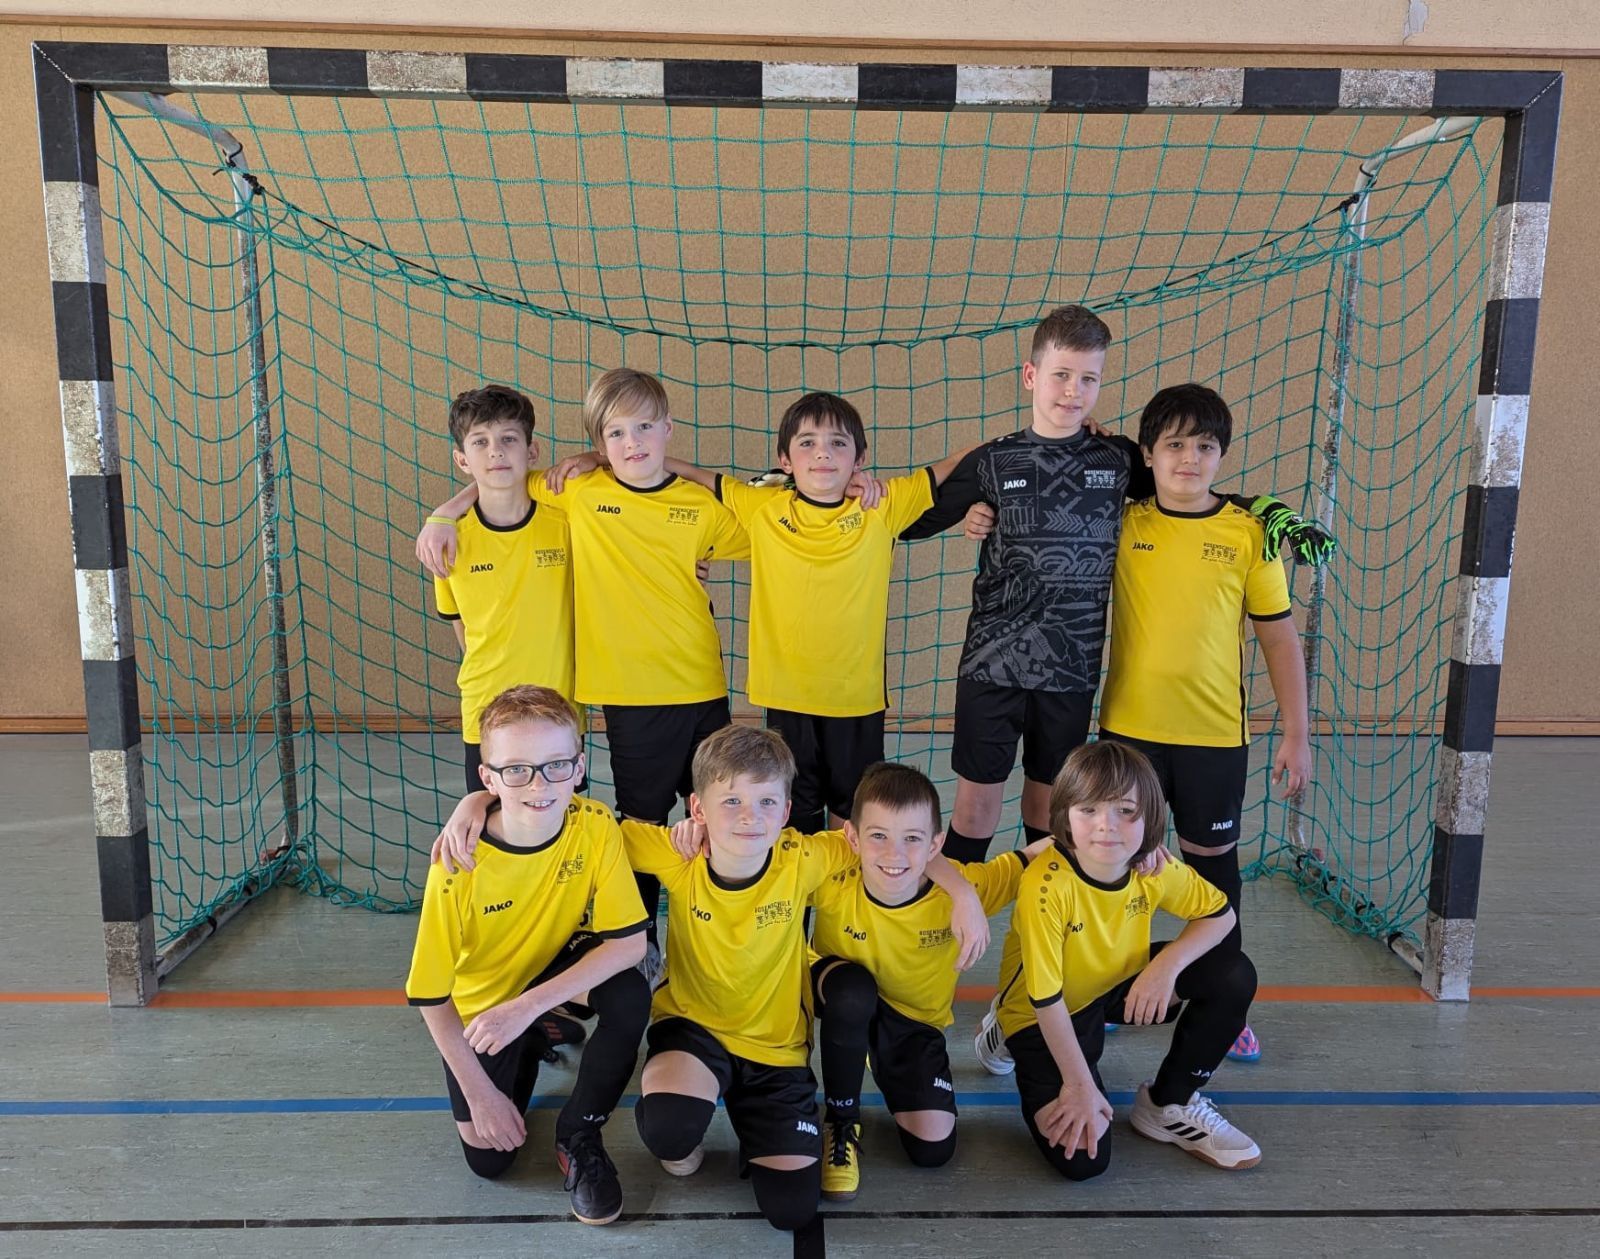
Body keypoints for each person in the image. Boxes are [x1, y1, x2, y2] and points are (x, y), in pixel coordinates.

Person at [901, 305, 1332, 866]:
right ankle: (954, 916)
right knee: (976, 811)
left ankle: (1039, 917)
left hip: (1070, 671)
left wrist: (1264, 508)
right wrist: (963, 491)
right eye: (1061, 374)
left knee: (1050, 811)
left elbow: (1189, 486)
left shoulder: (1118, 456)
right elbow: (910, 520)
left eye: (1089, 378)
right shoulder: (994, 460)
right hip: (992, 664)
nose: (1073, 391)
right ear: (1031, 375)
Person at [417, 369, 751, 981]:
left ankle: (686, 948)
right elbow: (466, 612)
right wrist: (443, 513)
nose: (497, 452)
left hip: (639, 699)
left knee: (684, 820)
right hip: (545, 708)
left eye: (509, 440)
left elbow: (738, 528)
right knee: (546, 836)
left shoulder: (608, 510)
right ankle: (539, 959)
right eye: (615, 433)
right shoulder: (519, 518)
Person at [552, 390, 972, 833]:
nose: (823, 453)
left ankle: (838, 882)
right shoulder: (584, 491)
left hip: (845, 696)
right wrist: (596, 459)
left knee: (826, 813)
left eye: (837, 443)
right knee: (771, 814)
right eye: (807, 443)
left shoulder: (871, 505)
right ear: (785, 459)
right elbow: (699, 480)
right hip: (768, 693)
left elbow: (952, 469)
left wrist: (983, 504)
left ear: (860, 458)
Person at [622, 726, 987, 1235]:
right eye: (731, 801)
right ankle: (687, 1127)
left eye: (766, 802)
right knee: (669, 1130)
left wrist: (962, 892)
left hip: (776, 1049)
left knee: (792, 1210)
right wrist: (483, 803)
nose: (750, 817)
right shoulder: (676, 855)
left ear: (787, 811)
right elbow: (590, 831)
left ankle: (762, 1116)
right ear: (698, 808)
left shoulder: (804, 857)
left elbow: (891, 838)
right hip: (693, 1029)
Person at [1096, 381, 1310, 1063]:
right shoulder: (1124, 523)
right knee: (1116, 865)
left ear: (1222, 455)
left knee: (1213, 870)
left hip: (1214, 738)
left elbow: (1279, 638)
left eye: (1205, 446)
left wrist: (1296, 733)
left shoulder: (1249, 533)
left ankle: (1225, 1002)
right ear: (1148, 454)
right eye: (1175, 445)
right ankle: (1109, 991)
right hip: (1129, 732)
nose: (1190, 458)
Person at [405, 685, 651, 1225]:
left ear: (579, 767)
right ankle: (537, 1034)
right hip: (485, 1004)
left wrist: (528, 1006)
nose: (540, 785)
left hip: (545, 975)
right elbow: (431, 996)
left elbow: (629, 944)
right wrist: (481, 1094)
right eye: (517, 769)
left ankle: (579, 1132)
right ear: (488, 778)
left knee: (630, 994)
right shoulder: (458, 864)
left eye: (556, 765)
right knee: (491, 1161)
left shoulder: (593, 825)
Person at [987, 740, 1261, 1180]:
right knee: (1084, 1160)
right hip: (1043, 1012)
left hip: (1117, 985)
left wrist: (1165, 967)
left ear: (1149, 816)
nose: (1106, 826)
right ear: (1064, 817)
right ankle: (1004, 1032)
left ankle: (1168, 1103)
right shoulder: (1046, 886)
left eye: (1125, 810)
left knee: (1232, 973)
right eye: (1088, 810)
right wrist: (1078, 1086)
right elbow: (1047, 1001)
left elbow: (1220, 915)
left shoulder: (1149, 865)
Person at [806, 761, 1050, 1200]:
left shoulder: (965, 888)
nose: (893, 854)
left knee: (932, 1147)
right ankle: (841, 1121)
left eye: (912, 839)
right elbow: (757, 847)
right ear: (852, 838)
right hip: (833, 989)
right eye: (878, 836)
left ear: (936, 844)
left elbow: (1037, 854)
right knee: (853, 993)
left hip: (912, 1020)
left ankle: (874, 1051)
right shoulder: (831, 870)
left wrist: (1140, 849)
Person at [428, 385, 574, 794]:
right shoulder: (448, 540)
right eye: (480, 442)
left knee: (560, 820)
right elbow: (462, 630)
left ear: (532, 451)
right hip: (485, 710)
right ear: (462, 459)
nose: (496, 451)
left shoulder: (567, 523)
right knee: (489, 818)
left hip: (559, 709)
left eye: (509, 439)